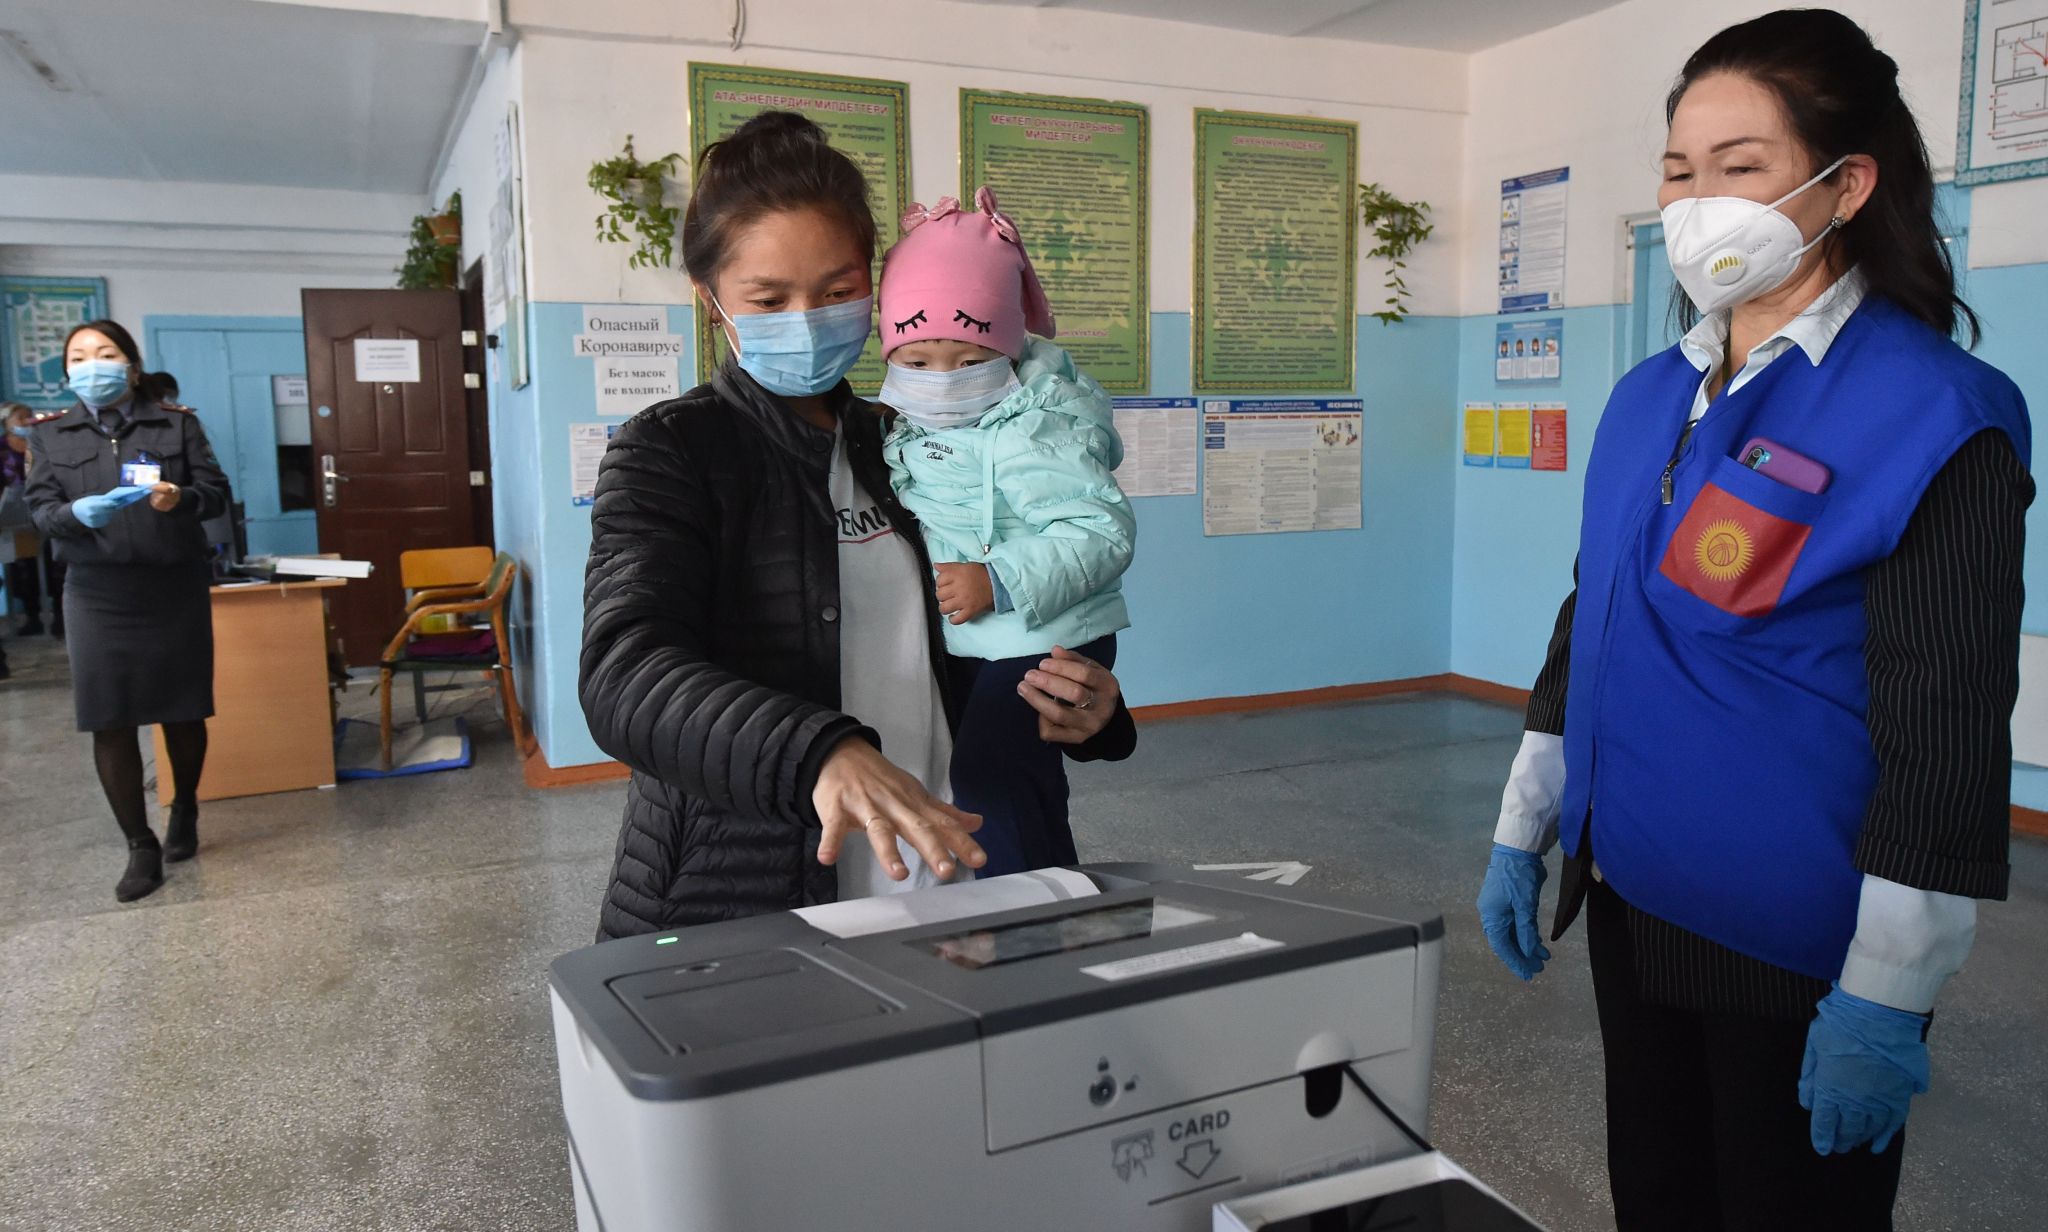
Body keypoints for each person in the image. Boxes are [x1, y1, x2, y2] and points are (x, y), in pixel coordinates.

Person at [1474, 12, 2032, 1229]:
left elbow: (1944, 721)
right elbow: (1595, 608)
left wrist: (1887, 989)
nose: (1694, 202)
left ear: (1845, 184)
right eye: (1678, 170)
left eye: (1739, 167)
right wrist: (1530, 815)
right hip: (1626, 889)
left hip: (1793, 938)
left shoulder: (1936, 412)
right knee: (1660, 1197)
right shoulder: (1646, 393)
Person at [579, 111, 1136, 939]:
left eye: (838, 292)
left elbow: (1011, 602)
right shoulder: (672, 451)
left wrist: (1093, 713)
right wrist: (819, 750)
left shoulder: (909, 440)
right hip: (755, 895)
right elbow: (626, 674)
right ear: (712, 303)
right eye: (769, 299)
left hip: (961, 871)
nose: (808, 317)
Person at [875, 188, 1135, 878]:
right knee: (1026, 782)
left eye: (967, 360)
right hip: (980, 635)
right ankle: (1057, 900)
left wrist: (1000, 579)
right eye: (918, 362)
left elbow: (1101, 531)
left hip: (1046, 625)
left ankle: (1012, 919)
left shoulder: (1038, 425)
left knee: (987, 778)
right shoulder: (908, 424)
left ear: (1009, 351)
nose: (941, 382)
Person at [24, 320, 231, 902]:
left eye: (107, 353)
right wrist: (73, 516)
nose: (93, 363)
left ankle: (184, 809)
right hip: (97, 592)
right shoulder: (49, 436)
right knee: (109, 717)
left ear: (132, 366)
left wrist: (181, 497)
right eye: (80, 356)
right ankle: (139, 846)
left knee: (184, 711)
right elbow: (40, 509)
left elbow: (215, 493)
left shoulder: (178, 424)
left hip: (173, 586)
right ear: (67, 373)